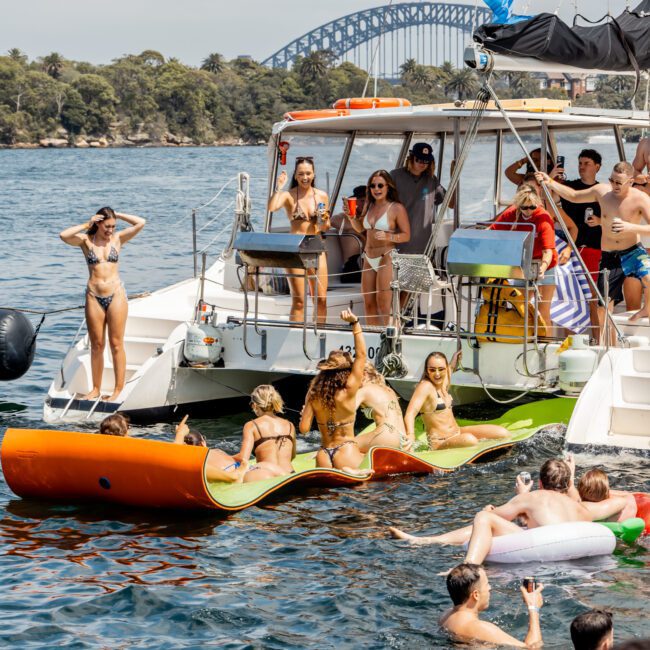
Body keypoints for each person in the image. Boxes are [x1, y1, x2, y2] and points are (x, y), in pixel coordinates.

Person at [388, 458, 612, 565]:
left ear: (541, 483)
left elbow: (495, 517)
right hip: (578, 550)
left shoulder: (532, 497)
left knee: (483, 519)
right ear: (567, 484)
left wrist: (518, 496)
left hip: (545, 545)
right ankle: (424, 540)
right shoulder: (580, 508)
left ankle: (461, 562)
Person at [537, 162, 650, 325]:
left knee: (649, 278)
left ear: (631, 181)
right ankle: (608, 345)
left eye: (619, 182)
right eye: (612, 180)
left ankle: (647, 308)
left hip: (633, 251)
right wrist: (551, 182)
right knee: (602, 305)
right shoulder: (602, 192)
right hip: (609, 255)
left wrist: (630, 227)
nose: (614, 185)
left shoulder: (640, 198)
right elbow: (574, 196)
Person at [60, 207, 146, 402]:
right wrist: (85, 224)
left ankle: (118, 389)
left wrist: (119, 214)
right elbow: (64, 235)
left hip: (116, 294)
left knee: (116, 344)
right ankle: (96, 389)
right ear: (98, 224)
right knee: (97, 345)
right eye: (107, 226)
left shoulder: (118, 239)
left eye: (113, 226)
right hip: (93, 296)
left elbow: (141, 222)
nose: (110, 230)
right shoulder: (85, 241)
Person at [299, 309, 373, 476]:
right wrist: (355, 323)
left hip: (324, 454)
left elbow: (303, 429)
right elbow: (361, 355)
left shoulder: (313, 392)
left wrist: (305, 415)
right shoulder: (349, 389)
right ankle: (349, 470)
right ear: (346, 371)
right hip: (346, 451)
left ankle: (341, 470)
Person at [268, 157, 330, 323]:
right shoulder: (288, 196)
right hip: (295, 248)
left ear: (314, 174)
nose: (305, 177)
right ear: (295, 175)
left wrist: (323, 220)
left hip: (316, 246)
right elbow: (272, 207)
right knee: (299, 301)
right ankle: (295, 335)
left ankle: (320, 335)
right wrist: (278, 187)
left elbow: (325, 227)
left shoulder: (322, 196)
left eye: (308, 173)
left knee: (321, 299)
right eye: (301, 173)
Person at [404, 350, 509, 450]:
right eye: (432, 370)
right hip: (440, 443)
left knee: (502, 433)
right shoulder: (425, 387)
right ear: (426, 370)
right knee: (469, 439)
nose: (437, 374)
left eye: (441, 369)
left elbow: (451, 368)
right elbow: (410, 414)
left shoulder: (442, 383)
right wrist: (410, 435)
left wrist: (455, 358)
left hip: (458, 433)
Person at [347, 170, 410, 326]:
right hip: (368, 257)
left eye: (380, 185)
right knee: (368, 304)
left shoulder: (396, 208)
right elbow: (360, 228)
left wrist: (390, 237)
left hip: (386, 256)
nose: (376, 189)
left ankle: (391, 341)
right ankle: (371, 341)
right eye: (373, 186)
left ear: (388, 187)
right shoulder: (369, 205)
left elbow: (406, 235)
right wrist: (351, 217)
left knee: (384, 305)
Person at [490, 184, 558, 327]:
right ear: (518, 206)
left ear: (537, 204)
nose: (528, 211)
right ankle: (522, 342)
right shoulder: (511, 213)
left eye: (532, 207)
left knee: (543, 312)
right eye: (524, 207)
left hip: (545, 264)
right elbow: (492, 230)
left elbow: (548, 251)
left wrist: (543, 267)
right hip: (522, 263)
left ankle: (545, 344)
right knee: (520, 308)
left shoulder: (543, 218)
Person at [440, 563, 544, 648]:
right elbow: (532, 647)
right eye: (487, 584)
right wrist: (533, 608)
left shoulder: (444, 617)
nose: (490, 588)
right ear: (476, 595)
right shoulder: (481, 628)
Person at [389, 142, 451, 256]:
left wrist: (454, 176)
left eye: (426, 161)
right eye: (419, 160)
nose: (423, 164)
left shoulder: (432, 180)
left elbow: (449, 202)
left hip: (424, 245)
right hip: (399, 242)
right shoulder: (395, 176)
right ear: (411, 158)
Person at [232, 384, 296, 482]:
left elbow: (243, 459)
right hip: (289, 473)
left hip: (265, 473)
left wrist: (224, 457)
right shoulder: (290, 425)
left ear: (254, 405)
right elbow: (292, 456)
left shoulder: (251, 425)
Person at [353, 363, 414, 452]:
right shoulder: (388, 390)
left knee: (345, 445)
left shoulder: (364, 391)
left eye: (352, 376)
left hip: (386, 436)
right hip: (403, 440)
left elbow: (346, 413)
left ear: (364, 374)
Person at [174, 415, 248, 483]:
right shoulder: (214, 453)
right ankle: (236, 475)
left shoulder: (185, 463)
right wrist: (180, 434)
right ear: (202, 443)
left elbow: (175, 454)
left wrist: (179, 435)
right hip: (233, 472)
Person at [331, 185, 367, 281]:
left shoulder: (371, 219)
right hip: (352, 268)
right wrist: (356, 228)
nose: (365, 204)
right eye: (362, 201)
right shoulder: (345, 218)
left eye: (368, 201)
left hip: (368, 265)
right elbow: (332, 221)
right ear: (355, 202)